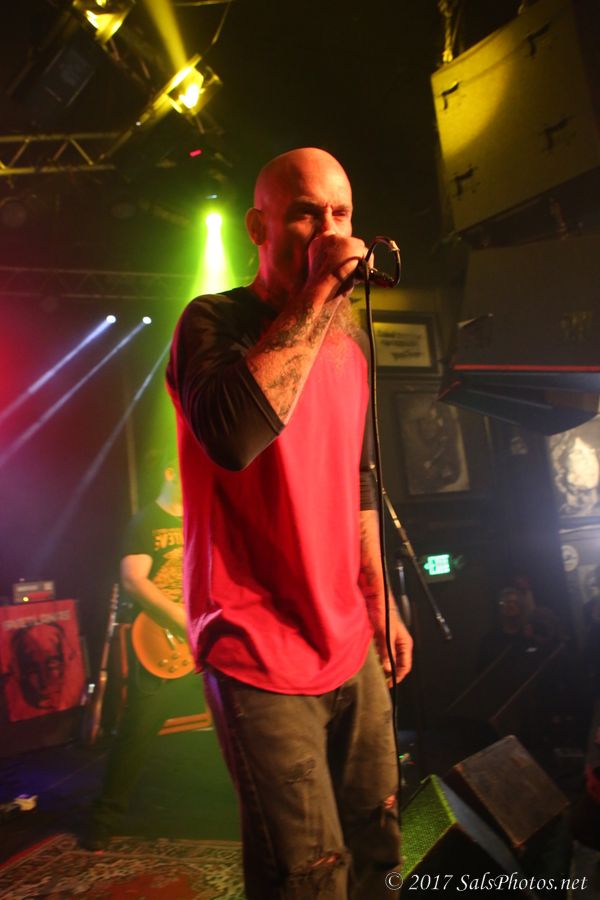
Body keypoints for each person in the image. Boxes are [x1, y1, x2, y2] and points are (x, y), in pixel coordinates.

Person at [167, 147, 413, 898]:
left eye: (341, 214)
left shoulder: (352, 342)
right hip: (256, 645)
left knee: (377, 848)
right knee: (307, 875)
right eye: (307, 213)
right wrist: (317, 293)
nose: (330, 231)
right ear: (258, 226)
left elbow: (358, 480)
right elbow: (233, 436)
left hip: (348, 637)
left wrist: (380, 600)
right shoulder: (212, 321)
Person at [82, 459, 189, 850]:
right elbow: (133, 580)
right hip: (162, 640)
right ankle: (104, 819)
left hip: (200, 640)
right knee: (137, 731)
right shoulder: (146, 523)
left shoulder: (201, 520)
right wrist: (181, 619)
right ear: (169, 473)